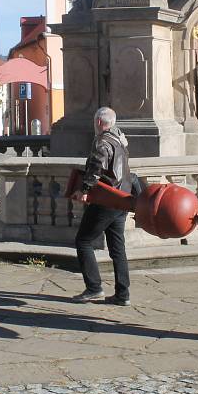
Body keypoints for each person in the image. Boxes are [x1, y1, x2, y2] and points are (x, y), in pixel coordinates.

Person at [70, 107, 132, 306]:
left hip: (106, 198)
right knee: (117, 248)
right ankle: (123, 294)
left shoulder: (103, 141)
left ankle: (94, 288)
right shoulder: (120, 140)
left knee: (83, 241)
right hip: (122, 199)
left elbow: (97, 165)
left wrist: (84, 189)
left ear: (98, 122)